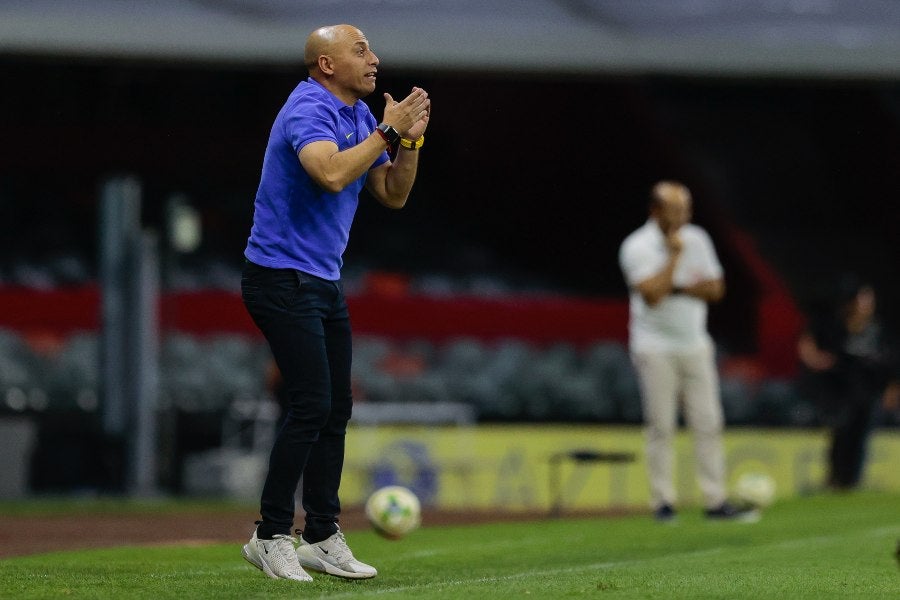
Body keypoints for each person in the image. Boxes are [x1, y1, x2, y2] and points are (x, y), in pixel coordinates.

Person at [239, 24, 430, 582]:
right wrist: (387, 132)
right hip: (278, 277)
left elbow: (392, 193)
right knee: (310, 405)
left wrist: (409, 140)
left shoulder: (359, 117)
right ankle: (270, 535)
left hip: (321, 279)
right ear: (326, 64)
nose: (375, 59)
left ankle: (321, 534)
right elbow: (328, 173)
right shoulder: (309, 109)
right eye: (361, 50)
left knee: (334, 409)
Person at [618, 180, 754, 522]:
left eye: (686, 209)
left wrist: (675, 285)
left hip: (695, 343)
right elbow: (651, 294)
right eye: (675, 209)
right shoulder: (636, 246)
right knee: (661, 425)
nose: (683, 216)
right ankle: (663, 503)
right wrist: (676, 256)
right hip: (654, 346)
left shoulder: (698, 238)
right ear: (655, 211)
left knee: (708, 422)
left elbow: (716, 289)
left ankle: (715, 500)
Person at [797, 276, 900, 490]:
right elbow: (808, 341)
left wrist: (893, 387)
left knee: (861, 436)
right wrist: (814, 359)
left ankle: (852, 481)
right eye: (862, 299)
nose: (866, 304)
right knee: (841, 433)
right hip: (840, 390)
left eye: (868, 299)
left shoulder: (879, 329)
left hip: (869, 390)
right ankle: (835, 478)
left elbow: (892, 361)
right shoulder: (834, 325)